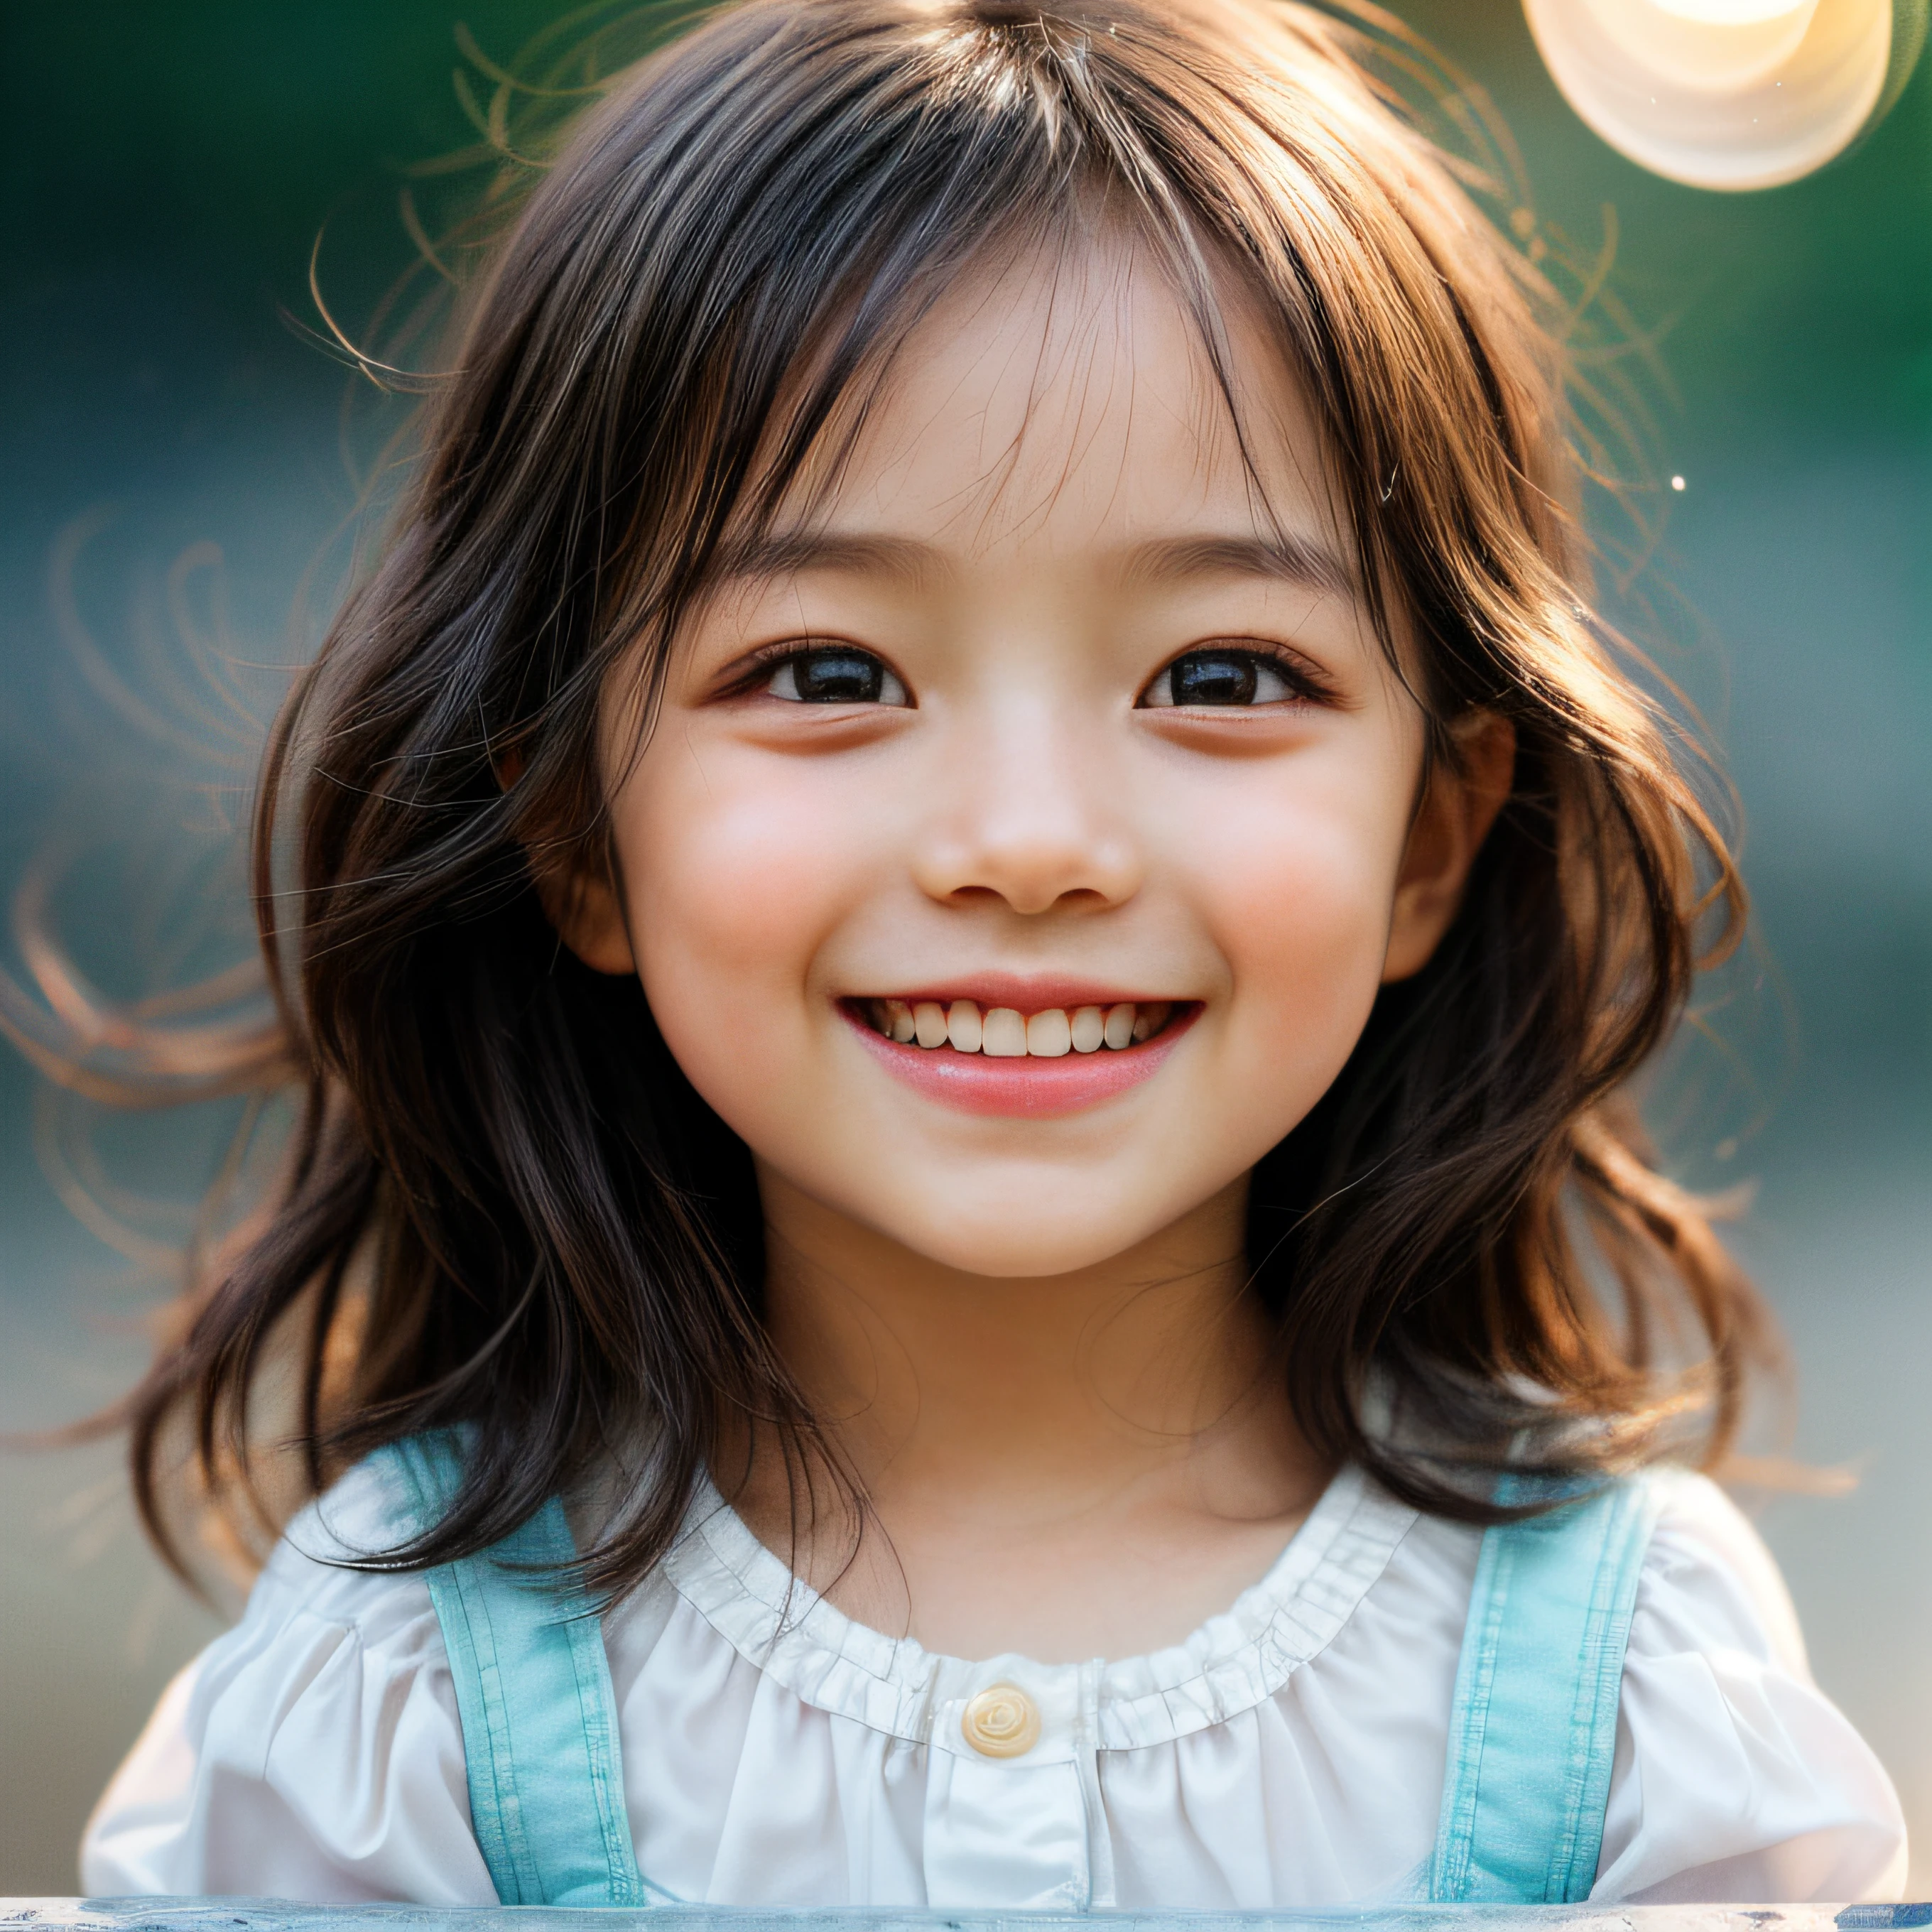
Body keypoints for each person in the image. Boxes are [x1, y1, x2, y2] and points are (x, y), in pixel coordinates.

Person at [72, 0, 1905, 1907]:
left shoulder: (1630, 1701)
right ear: (575, 836)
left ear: (1431, 840)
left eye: (1221, 677)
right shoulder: (397, 1701)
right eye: (828, 673)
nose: (1029, 844)